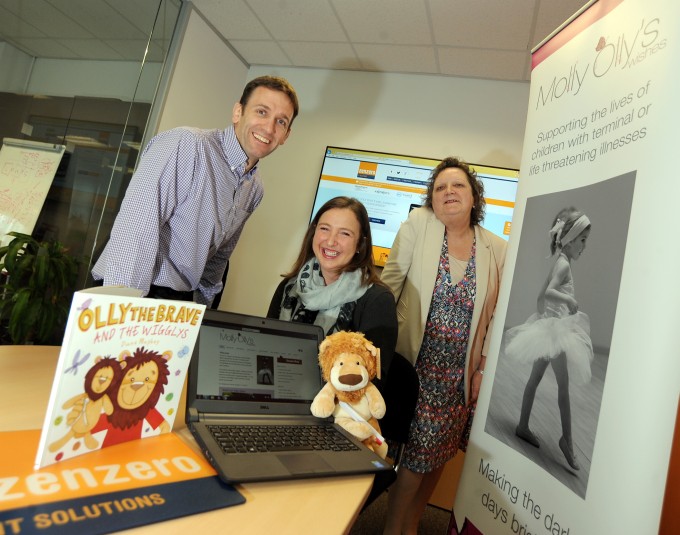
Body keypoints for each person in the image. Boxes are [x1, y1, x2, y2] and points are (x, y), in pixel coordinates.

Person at [91, 75, 299, 306]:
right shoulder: (187, 144)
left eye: (281, 121)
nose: (269, 128)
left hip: (178, 301)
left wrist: (204, 310)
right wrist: (122, 310)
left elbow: (219, 256)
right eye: (261, 112)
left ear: (286, 136)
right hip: (133, 289)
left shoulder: (255, 187)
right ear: (238, 113)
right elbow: (136, 229)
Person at [380, 157, 507, 535]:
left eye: (458, 186)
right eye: (440, 187)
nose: (448, 192)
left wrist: (483, 370)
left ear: (474, 197)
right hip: (415, 371)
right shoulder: (419, 226)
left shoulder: (497, 248)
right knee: (413, 463)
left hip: (457, 381)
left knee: (438, 458)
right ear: (432, 199)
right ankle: (394, 529)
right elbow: (389, 287)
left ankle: (412, 524)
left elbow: (496, 317)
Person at [267, 196, 397, 386]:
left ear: (360, 244)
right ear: (313, 233)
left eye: (344, 234)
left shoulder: (377, 301)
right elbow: (265, 349)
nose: (331, 241)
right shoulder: (289, 287)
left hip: (338, 411)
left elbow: (370, 383)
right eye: (324, 229)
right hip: (280, 394)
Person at [507, 207, 593, 471]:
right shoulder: (564, 264)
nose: (584, 246)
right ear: (569, 238)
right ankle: (567, 440)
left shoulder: (559, 261)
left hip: (550, 328)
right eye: (582, 240)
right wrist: (566, 299)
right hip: (554, 333)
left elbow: (543, 292)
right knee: (563, 387)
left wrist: (542, 309)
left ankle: (523, 425)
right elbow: (553, 290)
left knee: (535, 380)